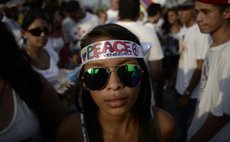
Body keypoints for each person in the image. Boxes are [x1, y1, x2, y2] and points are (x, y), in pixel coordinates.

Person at [56, 23, 175, 142]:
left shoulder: (163, 126)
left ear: (143, 74)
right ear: (84, 81)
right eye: (96, 74)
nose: (114, 85)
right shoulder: (71, 132)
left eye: (128, 70)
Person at [0, 21, 65, 141]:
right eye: (36, 32)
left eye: (46, 31)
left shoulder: (30, 80)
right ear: (24, 33)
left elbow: (63, 126)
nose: (42, 35)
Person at [186, 0, 230, 142]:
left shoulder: (227, 53)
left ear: (227, 13)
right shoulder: (214, 45)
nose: (198, 19)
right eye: (196, 12)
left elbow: (223, 114)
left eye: (206, 12)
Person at [173, 0, 209, 141]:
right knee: (182, 126)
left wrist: (187, 93)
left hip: (191, 94)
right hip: (180, 89)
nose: (180, 13)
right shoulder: (184, 29)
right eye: (179, 9)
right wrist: (173, 80)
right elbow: (182, 57)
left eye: (185, 9)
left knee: (190, 131)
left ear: (194, 10)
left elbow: (200, 67)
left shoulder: (200, 33)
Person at [116, 0, 164, 107]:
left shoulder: (107, 31)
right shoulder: (148, 32)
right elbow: (157, 69)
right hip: (143, 96)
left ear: (118, 13)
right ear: (138, 14)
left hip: (113, 97)